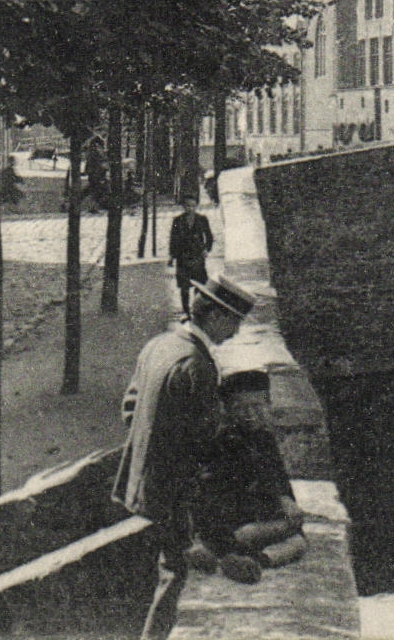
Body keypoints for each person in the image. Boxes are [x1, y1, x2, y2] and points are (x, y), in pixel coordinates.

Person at [112, 276, 255, 640]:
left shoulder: (160, 344)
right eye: (234, 322)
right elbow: (204, 443)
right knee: (176, 574)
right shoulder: (199, 366)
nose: (235, 333)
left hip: (143, 483)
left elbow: (130, 408)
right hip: (172, 491)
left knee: (164, 569)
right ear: (216, 317)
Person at [184, 371, 308, 584]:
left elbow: (278, 478)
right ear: (228, 410)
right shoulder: (227, 441)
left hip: (251, 522)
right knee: (292, 537)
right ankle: (227, 553)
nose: (250, 414)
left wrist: (286, 501)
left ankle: (250, 561)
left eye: (257, 407)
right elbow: (253, 479)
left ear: (268, 404)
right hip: (231, 522)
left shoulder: (264, 439)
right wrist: (283, 504)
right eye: (241, 409)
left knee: (297, 541)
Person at [167, 194, 215, 318]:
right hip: (182, 256)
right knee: (184, 287)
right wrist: (172, 256)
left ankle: (197, 310)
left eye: (193, 206)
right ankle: (186, 311)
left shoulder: (202, 219)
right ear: (183, 206)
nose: (190, 208)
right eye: (188, 205)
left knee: (199, 285)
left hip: (197, 256)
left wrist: (206, 249)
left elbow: (209, 237)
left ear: (196, 206)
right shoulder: (177, 220)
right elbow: (173, 239)